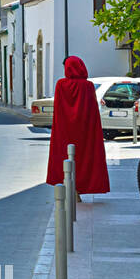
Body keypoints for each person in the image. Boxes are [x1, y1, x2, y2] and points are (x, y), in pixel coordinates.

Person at [47, 56, 110, 200]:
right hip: (85, 130)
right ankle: (79, 189)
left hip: (64, 129)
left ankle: (69, 187)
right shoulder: (88, 86)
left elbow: (58, 109)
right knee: (85, 157)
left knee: (64, 157)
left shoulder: (61, 84)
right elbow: (92, 111)